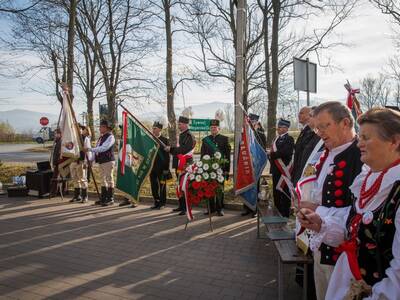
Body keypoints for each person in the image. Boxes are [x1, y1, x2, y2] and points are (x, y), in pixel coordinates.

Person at [298, 107, 400, 300]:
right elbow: (354, 222)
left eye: (366, 138)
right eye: (360, 137)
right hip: (348, 280)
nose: (359, 143)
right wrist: (321, 223)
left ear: (394, 141)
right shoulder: (370, 177)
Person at [297, 101, 363, 300]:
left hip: (343, 255)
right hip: (321, 244)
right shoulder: (327, 153)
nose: (319, 132)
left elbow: (358, 211)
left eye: (325, 125)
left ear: (345, 123)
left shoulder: (360, 158)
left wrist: (316, 208)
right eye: (316, 127)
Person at [165, 116, 196, 215]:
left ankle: (185, 208)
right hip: (179, 164)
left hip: (185, 164)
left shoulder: (189, 136)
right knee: (179, 186)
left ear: (186, 124)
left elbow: (184, 150)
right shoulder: (182, 134)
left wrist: (171, 149)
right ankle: (181, 205)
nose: (179, 125)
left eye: (180, 124)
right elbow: (179, 149)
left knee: (184, 186)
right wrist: (172, 149)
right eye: (178, 124)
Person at [200, 119, 231, 216]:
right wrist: (202, 169)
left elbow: (227, 156)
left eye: (215, 127)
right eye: (211, 128)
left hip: (220, 169)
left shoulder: (225, 139)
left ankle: (220, 208)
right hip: (208, 169)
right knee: (209, 189)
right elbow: (202, 156)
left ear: (219, 128)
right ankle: (211, 208)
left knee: (220, 189)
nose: (213, 129)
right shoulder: (205, 140)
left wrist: (226, 170)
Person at [241, 113, 267, 217]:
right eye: (249, 121)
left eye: (252, 121)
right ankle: (246, 208)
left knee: (255, 188)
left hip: (255, 165)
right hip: (246, 164)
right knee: (246, 186)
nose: (250, 123)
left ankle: (254, 209)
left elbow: (262, 150)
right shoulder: (244, 133)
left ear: (256, 122)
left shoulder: (260, 134)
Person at [268, 118, 295, 217]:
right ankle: (277, 212)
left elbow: (285, 152)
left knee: (284, 192)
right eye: (278, 127)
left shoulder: (289, 139)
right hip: (276, 170)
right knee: (276, 192)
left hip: (284, 170)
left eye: (280, 127)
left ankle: (285, 214)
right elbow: (273, 154)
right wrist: (269, 155)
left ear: (286, 128)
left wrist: (272, 154)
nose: (278, 129)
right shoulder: (276, 139)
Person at [86, 119, 115, 206]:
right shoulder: (101, 137)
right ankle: (104, 198)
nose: (100, 128)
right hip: (101, 161)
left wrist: (90, 149)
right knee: (103, 180)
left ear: (106, 128)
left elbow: (104, 148)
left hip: (108, 161)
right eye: (100, 127)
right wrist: (91, 160)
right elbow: (97, 150)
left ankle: (110, 198)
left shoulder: (111, 137)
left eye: (101, 127)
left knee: (109, 179)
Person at [149, 121, 170, 210]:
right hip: (152, 167)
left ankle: (162, 203)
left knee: (162, 185)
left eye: (155, 128)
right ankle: (156, 201)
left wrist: (167, 168)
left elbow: (167, 156)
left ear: (160, 129)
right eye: (153, 128)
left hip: (162, 167)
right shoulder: (150, 140)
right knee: (154, 185)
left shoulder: (165, 140)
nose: (153, 130)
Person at [292, 106, 315, 186]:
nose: (298, 115)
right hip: (298, 172)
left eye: (301, 113)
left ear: (309, 115)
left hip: (303, 173)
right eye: (299, 113)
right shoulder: (304, 131)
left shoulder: (311, 131)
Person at [69, 124, 92, 203]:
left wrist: (86, 161)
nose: (76, 130)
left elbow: (88, 150)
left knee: (83, 179)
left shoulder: (85, 138)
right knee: (75, 179)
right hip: (73, 161)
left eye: (77, 128)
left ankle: (85, 196)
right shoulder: (72, 138)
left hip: (81, 161)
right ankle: (77, 196)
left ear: (81, 129)